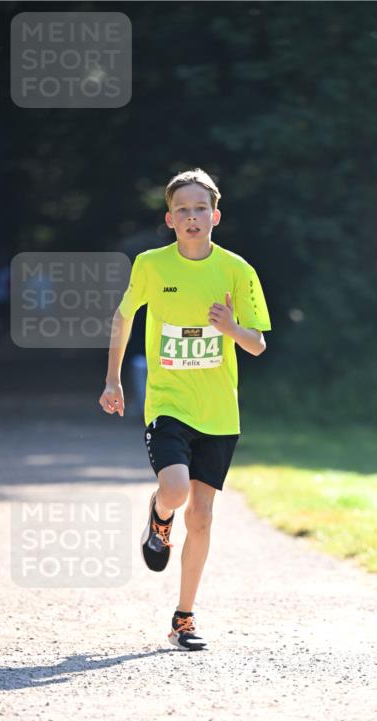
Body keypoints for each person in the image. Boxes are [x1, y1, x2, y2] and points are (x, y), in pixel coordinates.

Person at [98, 168, 271, 650]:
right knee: (173, 490)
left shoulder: (238, 270)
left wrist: (230, 327)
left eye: (200, 209)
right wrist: (113, 379)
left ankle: (184, 617)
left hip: (219, 410)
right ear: (169, 219)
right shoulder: (151, 265)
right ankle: (158, 515)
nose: (192, 217)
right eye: (182, 210)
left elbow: (256, 344)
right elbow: (124, 315)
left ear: (215, 215)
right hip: (169, 401)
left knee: (202, 517)